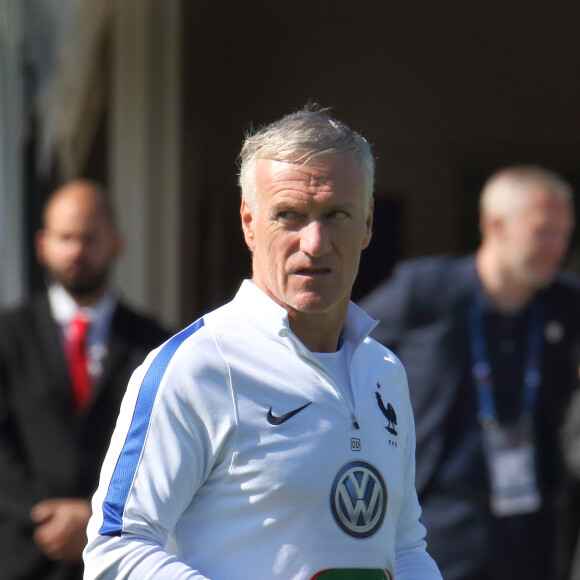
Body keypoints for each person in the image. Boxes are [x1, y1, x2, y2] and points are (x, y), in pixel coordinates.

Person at [83, 107, 442, 579]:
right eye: (289, 216)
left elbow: (404, 544)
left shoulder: (384, 371)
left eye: (337, 214)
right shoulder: (197, 367)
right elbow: (115, 550)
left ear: (368, 222)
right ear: (250, 223)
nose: (315, 243)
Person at [359, 165, 580, 580]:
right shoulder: (425, 292)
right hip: (440, 520)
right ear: (496, 225)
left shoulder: (566, 306)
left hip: (534, 529)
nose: (557, 247)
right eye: (543, 232)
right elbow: (344, 347)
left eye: (563, 233)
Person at [0, 179, 169, 580]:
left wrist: (93, 519)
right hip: (21, 556)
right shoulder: (7, 337)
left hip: (117, 558)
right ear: (43, 245)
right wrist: (45, 515)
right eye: (66, 237)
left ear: (115, 244)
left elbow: (160, 447)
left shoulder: (156, 345)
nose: (77, 251)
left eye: (90, 238)